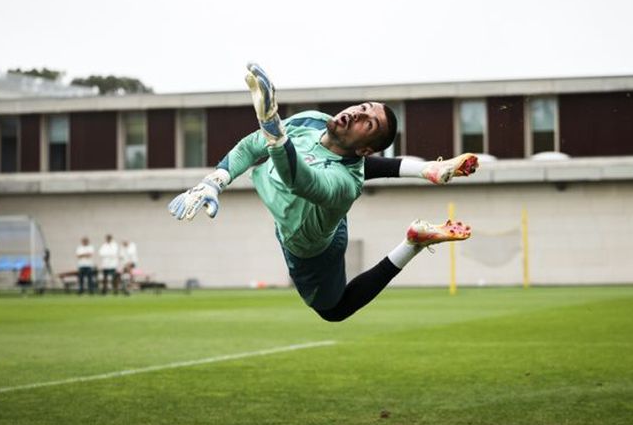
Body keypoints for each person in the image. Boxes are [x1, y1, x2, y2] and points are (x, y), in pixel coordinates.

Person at [169, 63, 477, 322]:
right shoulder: (313, 120)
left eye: (367, 123)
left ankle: (413, 241)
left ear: (368, 146)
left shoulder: (344, 185)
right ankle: (426, 170)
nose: (357, 113)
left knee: (334, 311)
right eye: (363, 107)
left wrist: (272, 128)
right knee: (346, 161)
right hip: (323, 201)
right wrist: (214, 182)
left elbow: (300, 181)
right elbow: (252, 146)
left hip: (313, 247)